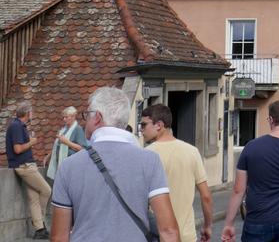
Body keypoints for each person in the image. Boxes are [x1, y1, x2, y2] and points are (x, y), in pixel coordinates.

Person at [50, 87, 180, 242]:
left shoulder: (68, 166)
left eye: (88, 115)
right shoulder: (150, 160)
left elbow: (59, 237)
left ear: (97, 117)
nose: (85, 121)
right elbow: (169, 231)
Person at [221, 99, 279, 242]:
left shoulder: (251, 147)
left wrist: (229, 223)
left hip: (257, 219)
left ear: (271, 119)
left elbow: (238, 190)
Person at [140, 104, 214, 242]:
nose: (141, 130)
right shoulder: (192, 151)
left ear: (159, 125)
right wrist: (208, 226)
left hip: (158, 234)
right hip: (187, 235)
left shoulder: (145, 155)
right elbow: (206, 197)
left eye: (144, 125)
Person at [6, 102, 52, 239]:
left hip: (25, 165)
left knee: (34, 199)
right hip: (24, 166)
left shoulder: (19, 126)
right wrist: (32, 142)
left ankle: (39, 230)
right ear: (27, 113)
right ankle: (40, 220)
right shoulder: (16, 126)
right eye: (31, 112)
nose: (32, 115)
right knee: (46, 190)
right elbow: (18, 149)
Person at [46, 106, 88, 182]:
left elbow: (82, 149)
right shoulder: (64, 129)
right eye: (63, 117)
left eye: (66, 117)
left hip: (72, 166)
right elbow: (58, 146)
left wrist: (67, 142)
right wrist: (49, 156)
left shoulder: (77, 129)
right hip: (61, 165)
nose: (64, 119)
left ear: (73, 117)